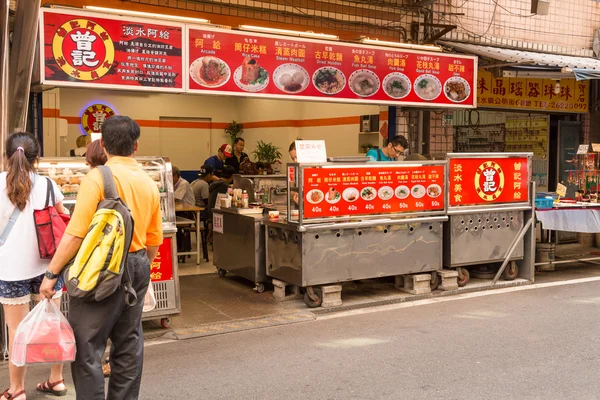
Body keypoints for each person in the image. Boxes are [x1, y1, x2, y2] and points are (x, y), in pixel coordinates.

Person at [40, 116, 163, 400]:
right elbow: (154, 238)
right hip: (138, 263)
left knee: (87, 345)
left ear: (104, 146)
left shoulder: (98, 177)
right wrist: (142, 271)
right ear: (136, 145)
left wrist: (51, 274)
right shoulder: (148, 181)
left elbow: (76, 233)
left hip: (102, 269)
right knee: (129, 344)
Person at [0, 132, 68, 400]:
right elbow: (64, 219)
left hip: (10, 268)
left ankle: (17, 390)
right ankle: (57, 380)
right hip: (48, 268)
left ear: (6, 156)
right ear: (35, 158)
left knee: (16, 330)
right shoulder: (49, 185)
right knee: (53, 323)